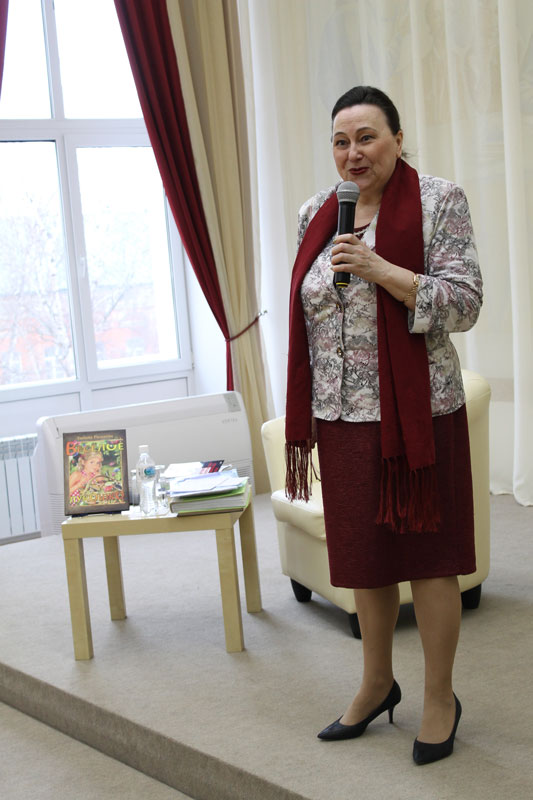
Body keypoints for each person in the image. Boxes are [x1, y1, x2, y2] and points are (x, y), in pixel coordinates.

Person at [285, 85, 482, 765]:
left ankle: (439, 696)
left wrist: (382, 270)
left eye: (366, 137)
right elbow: (314, 307)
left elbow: (464, 303)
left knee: (429, 560)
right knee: (364, 561)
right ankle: (375, 684)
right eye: (341, 141)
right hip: (340, 416)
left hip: (419, 415)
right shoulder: (318, 211)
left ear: (397, 139)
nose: (353, 153)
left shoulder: (440, 201)